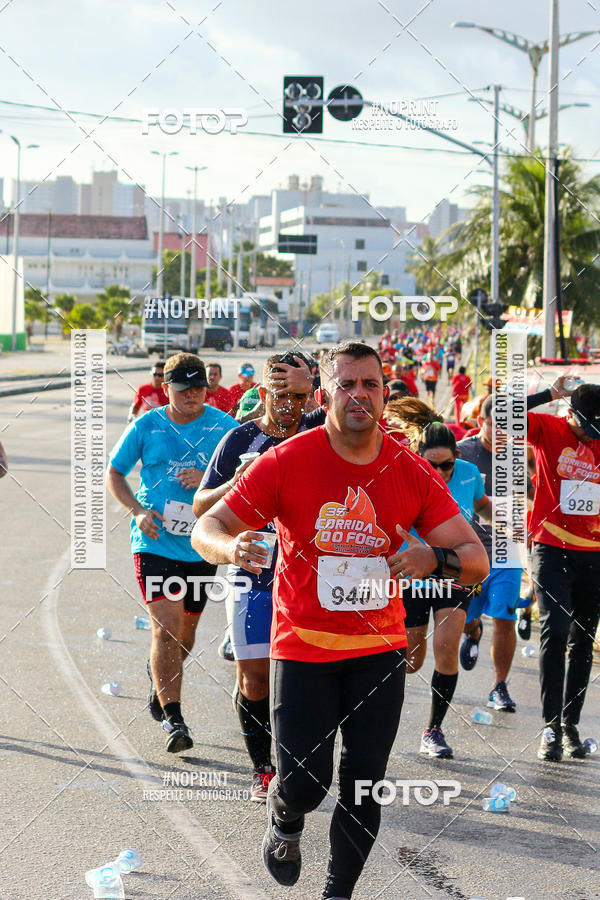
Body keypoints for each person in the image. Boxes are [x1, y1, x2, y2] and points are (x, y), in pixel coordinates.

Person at [192, 342, 488, 899]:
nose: (360, 396)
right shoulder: (289, 459)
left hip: (378, 650)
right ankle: (285, 815)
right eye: (347, 385)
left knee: (364, 785)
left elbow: (476, 560)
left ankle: (337, 893)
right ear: (327, 395)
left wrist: (434, 559)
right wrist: (231, 550)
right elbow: (205, 527)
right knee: (305, 783)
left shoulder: (410, 469)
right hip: (302, 647)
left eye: (370, 385)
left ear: (385, 391)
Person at [193, 353, 312, 801]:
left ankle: (297, 761)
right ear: (262, 394)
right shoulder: (239, 438)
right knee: (255, 680)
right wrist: (236, 483)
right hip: (252, 575)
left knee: (304, 679)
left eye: (301, 395)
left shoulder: (320, 431)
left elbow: (357, 402)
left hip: (308, 579)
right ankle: (264, 769)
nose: (291, 405)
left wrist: (314, 372)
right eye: (282, 396)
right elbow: (203, 508)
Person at [106, 353, 237, 753]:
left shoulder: (224, 428)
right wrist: (139, 511)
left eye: (199, 388)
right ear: (167, 389)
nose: (192, 396)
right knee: (165, 628)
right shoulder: (147, 425)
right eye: (183, 389)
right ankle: (175, 719)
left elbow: (250, 474)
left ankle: (159, 682)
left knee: (184, 634)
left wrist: (209, 480)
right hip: (155, 542)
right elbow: (115, 472)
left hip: (200, 545)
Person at [388, 403, 492, 758]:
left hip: (452, 571)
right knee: (412, 660)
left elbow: (481, 505)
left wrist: (513, 519)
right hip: (414, 574)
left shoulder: (468, 472)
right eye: (431, 465)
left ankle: (433, 731)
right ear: (419, 457)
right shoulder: (406, 473)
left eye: (446, 464)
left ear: (457, 456)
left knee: (446, 649)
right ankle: (368, 708)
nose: (440, 472)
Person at [526, 382, 600, 761]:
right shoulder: (547, 429)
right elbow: (499, 413)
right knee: (555, 630)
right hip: (552, 548)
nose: (592, 436)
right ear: (571, 413)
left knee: (582, 640)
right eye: (588, 427)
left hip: (595, 556)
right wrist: (549, 393)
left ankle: (570, 724)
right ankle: (549, 726)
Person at [457, 395, 523, 712]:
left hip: (507, 550)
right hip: (469, 552)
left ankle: (499, 686)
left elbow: (533, 496)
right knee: (465, 618)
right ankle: (472, 631)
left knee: (505, 617)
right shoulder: (463, 453)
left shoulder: (518, 457)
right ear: (480, 421)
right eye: (495, 423)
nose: (501, 431)